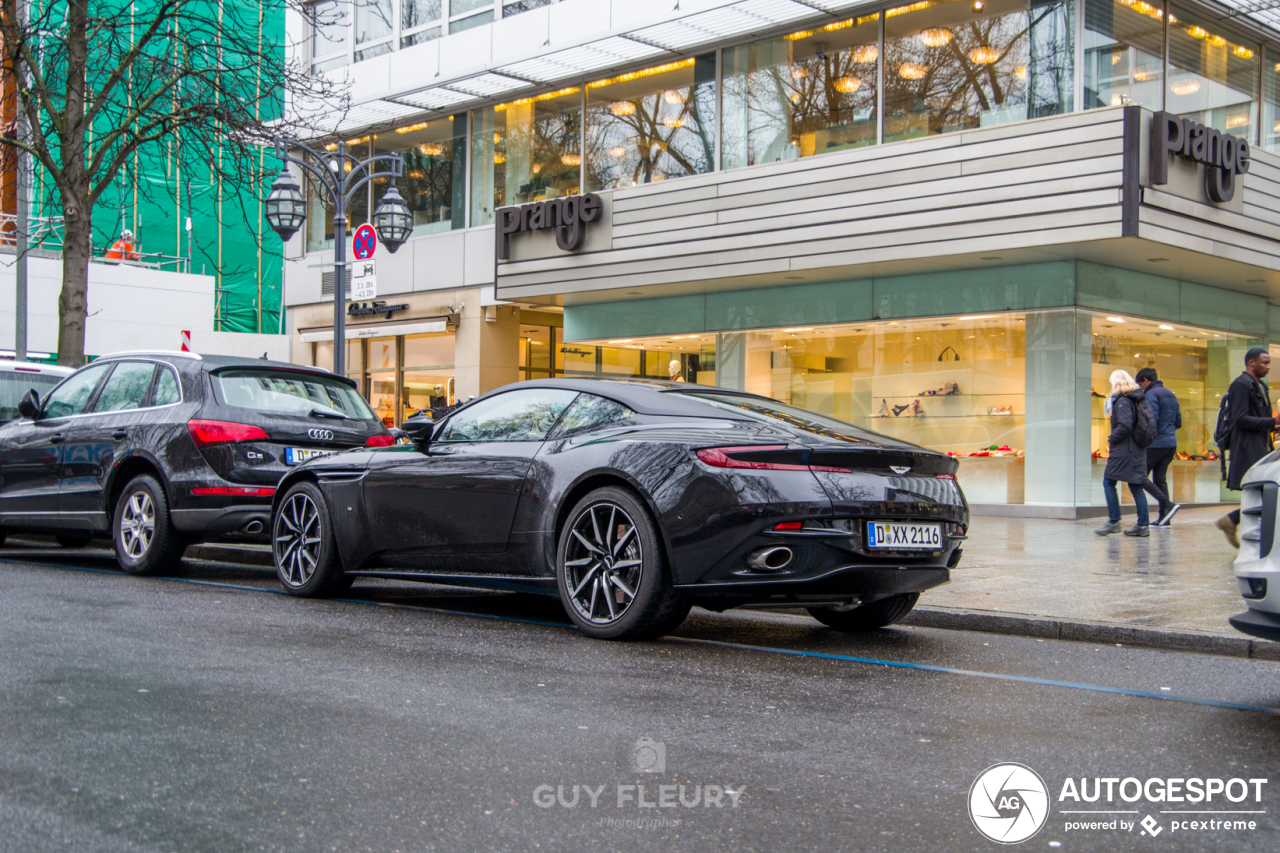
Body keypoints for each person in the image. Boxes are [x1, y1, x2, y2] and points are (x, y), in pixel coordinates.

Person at [1216, 347, 1280, 547]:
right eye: (1265, 363)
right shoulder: (1241, 385)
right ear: (1251, 363)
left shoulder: (1257, 385)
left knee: (1263, 495)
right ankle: (1234, 522)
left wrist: (1273, 426)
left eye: (1269, 363)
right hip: (1248, 450)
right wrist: (1272, 422)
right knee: (1264, 495)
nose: (1268, 367)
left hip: (1259, 448)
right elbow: (1240, 419)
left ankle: (1234, 522)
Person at [1096, 370, 1153, 537]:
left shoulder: (1123, 401)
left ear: (1116, 383)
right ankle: (1143, 525)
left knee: (1108, 482)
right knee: (1136, 486)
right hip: (1136, 449)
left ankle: (1114, 521)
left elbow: (1125, 425)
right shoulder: (1138, 399)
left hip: (1124, 450)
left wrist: (1111, 438)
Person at [1135, 367, 1182, 526]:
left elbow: (1150, 419)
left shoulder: (1150, 394)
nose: (1141, 387)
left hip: (1155, 444)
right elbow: (1178, 422)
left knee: (1138, 476)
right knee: (1160, 479)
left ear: (1145, 381)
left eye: (1141, 384)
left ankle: (1166, 505)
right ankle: (1164, 516)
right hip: (1170, 444)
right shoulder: (1170, 393)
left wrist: (1141, 438)